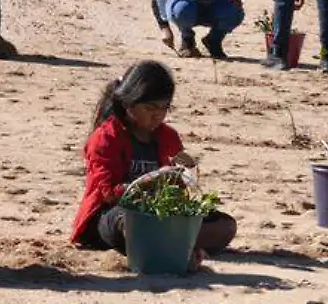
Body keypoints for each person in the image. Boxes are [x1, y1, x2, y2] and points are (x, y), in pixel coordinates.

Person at [71, 61, 237, 270]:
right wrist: (153, 181)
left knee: (224, 226)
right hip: (113, 217)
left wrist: (186, 179)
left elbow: (184, 185)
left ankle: (169, 245)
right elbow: (109, 194)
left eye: (164, 108)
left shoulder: (168, 137)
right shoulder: (106, 138)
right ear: (128, 104)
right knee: (130, 222)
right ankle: (176, 248)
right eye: (150, 108)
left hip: (161, 216)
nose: (157, 115)